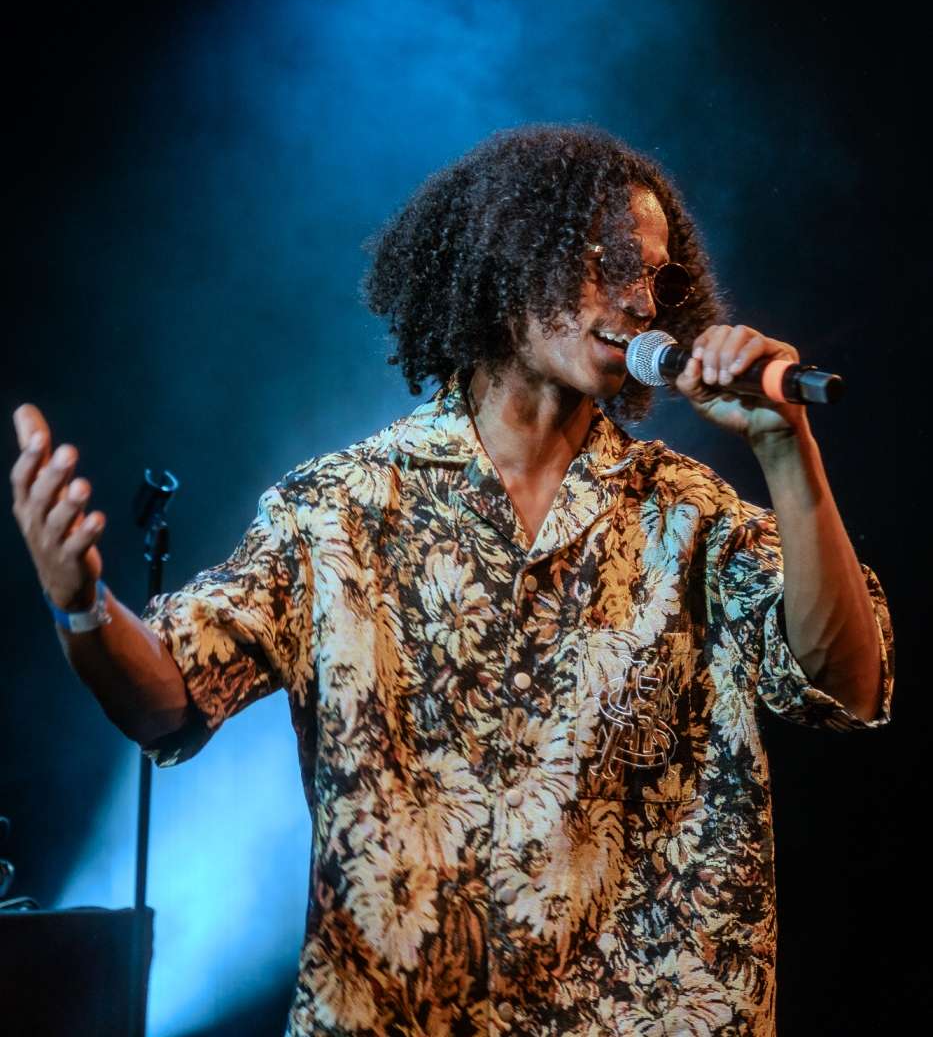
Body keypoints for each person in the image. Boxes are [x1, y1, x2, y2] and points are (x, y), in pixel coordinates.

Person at [12, 124, 891, 1036]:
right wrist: (81, 607)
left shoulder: (689, 513)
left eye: (657, 278)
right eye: (610, 263)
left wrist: (785, 447)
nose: (640, 300)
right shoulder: (338, 508)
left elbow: (847, 685)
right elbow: (168, 699)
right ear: (510, 261)